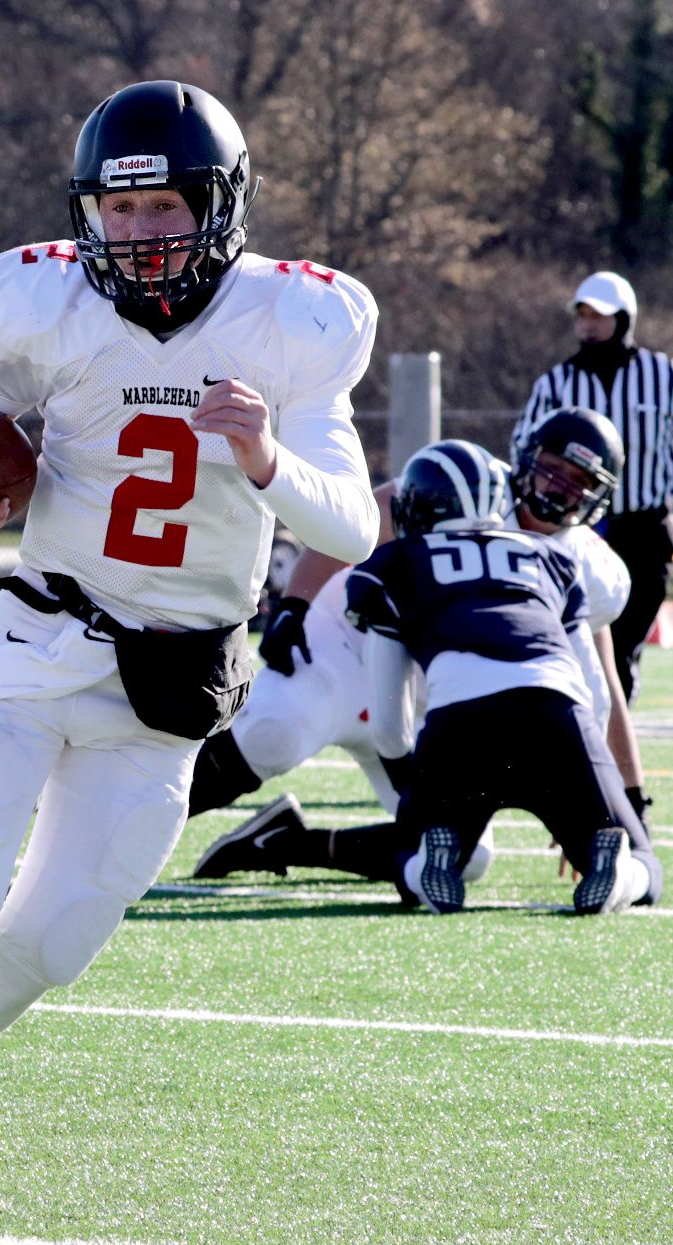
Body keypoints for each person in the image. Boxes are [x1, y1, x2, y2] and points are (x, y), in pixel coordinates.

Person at [0, 79, 379, 1197]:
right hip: (42, 642)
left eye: (166, 209)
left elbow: (354, 519)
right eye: (121, 211)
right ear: (90, 209)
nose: (141, 236)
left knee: (46, 949)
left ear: (221, 204)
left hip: (174, 688)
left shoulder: (298, 320)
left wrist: (268, 460)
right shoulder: (42, 296)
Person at [192, 415, 647, 889]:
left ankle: (284, 844)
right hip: (347, 648)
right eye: (555, 470)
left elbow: (601, 682)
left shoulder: (588, 565)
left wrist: (622, 802)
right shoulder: (472, 480)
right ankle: (118, 823)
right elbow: (365, 517)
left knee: (461, 858)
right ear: (527, 457)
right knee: (271, 736)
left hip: (433, 703)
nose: (561, 490)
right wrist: (295, 605)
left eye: (581, 484)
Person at [342, 440, 657, 913]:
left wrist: (408, 782)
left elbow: (389, 724)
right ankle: (615, 877)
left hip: (463, 722)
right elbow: (596, 693)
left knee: (412, 856)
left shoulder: (396, 564)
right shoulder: (550, 557)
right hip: (559, 712)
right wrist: (589, 774)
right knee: (645, 867)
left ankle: (427, 868)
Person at [513, 271, 673, 701]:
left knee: (625, 640)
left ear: (623, 319)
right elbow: (522, 448)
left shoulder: (662, 375)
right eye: (582, 314)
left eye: (598, 315)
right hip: (575, 528)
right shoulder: (556, 383)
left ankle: (615, 713)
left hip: (642, 526)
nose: (588, 324)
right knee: (578, 641)